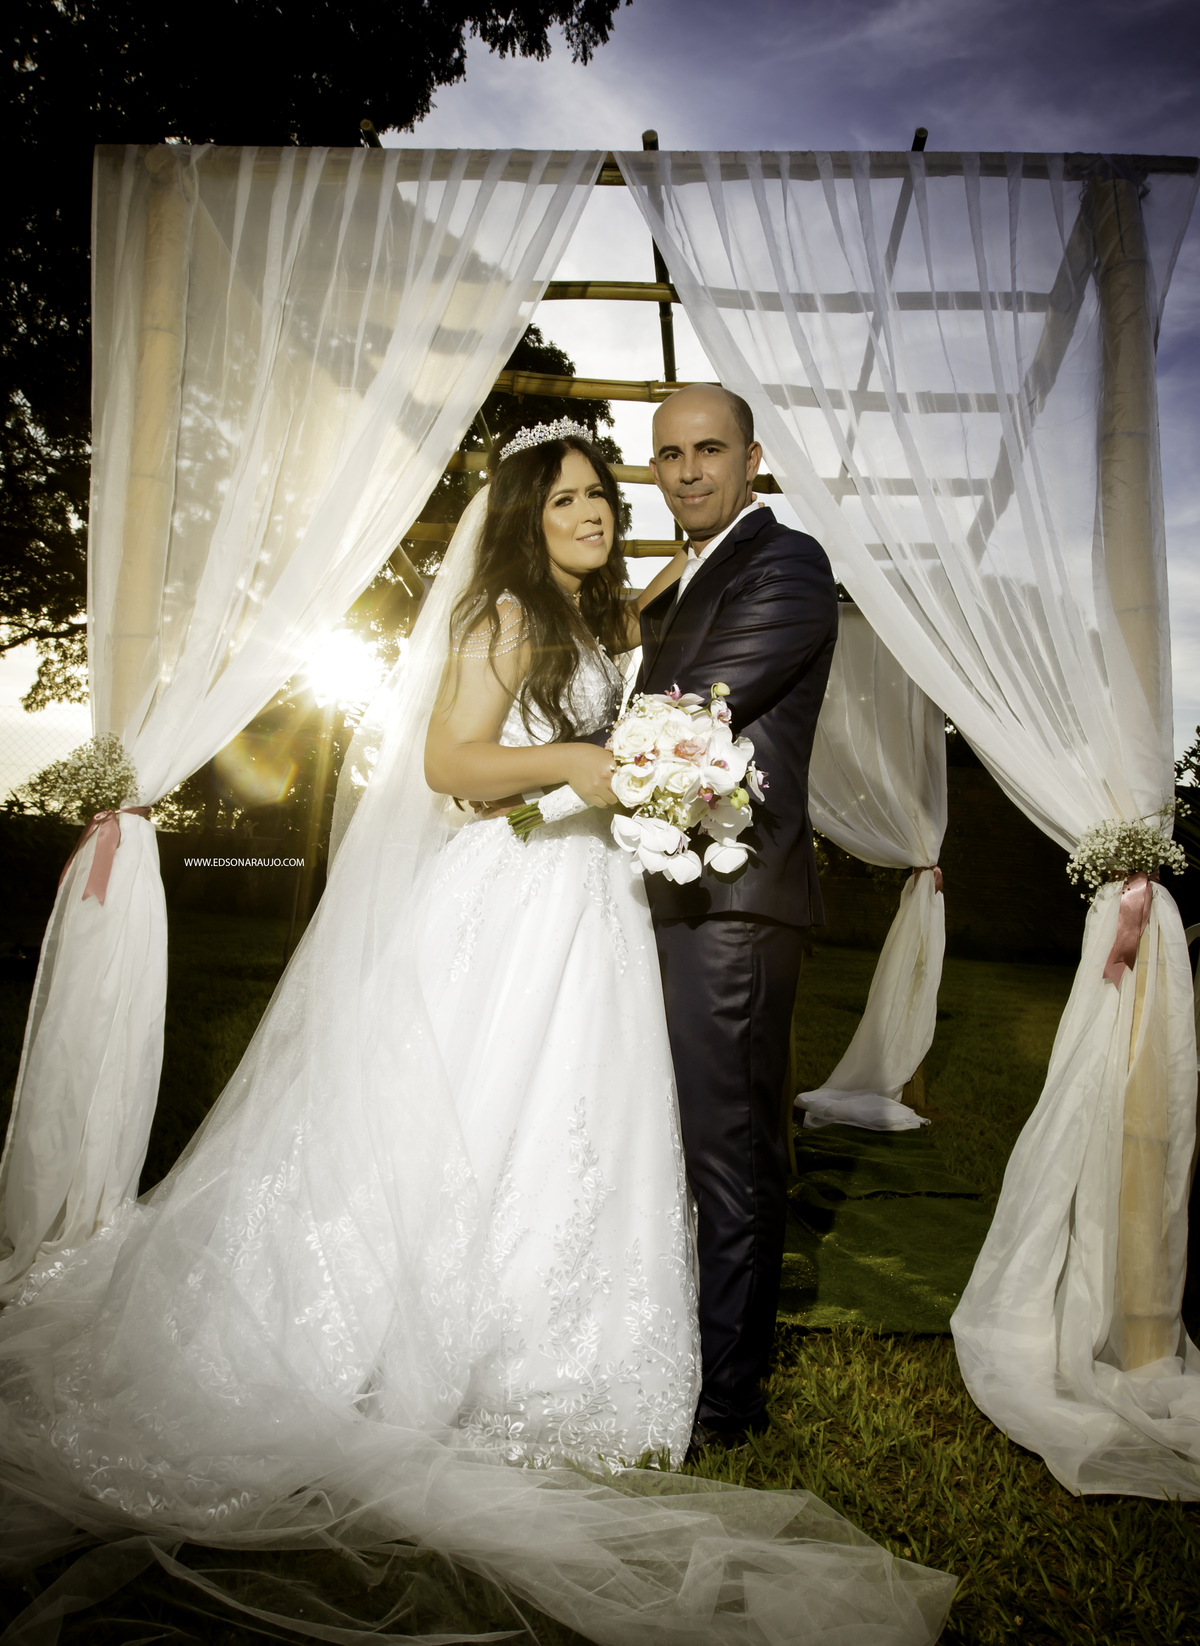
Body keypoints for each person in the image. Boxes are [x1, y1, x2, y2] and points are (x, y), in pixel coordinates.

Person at [0, 421, 953, 1643]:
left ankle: (567, 1343)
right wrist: (575, 755)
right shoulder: (502, 614)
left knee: (583, 1115)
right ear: (523, 517)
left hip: (601, 908)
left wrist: (650, 641)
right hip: (513, 897)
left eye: (605, 493)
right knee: (469, 1100)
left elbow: (671, 646)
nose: (597, 510)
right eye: (568, 498)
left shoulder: (613, 621)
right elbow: (453, 762)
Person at [638, 384, 839, 1448]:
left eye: (709, 448)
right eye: (668, 453)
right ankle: (678, 1355)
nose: (687, 470)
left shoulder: (787, 564)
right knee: (671, 1137)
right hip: (670, 892)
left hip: (736, 903)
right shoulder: (683, 581)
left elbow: (683, 716)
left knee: (731, 1151)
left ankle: (726, 1405)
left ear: (753, 457)